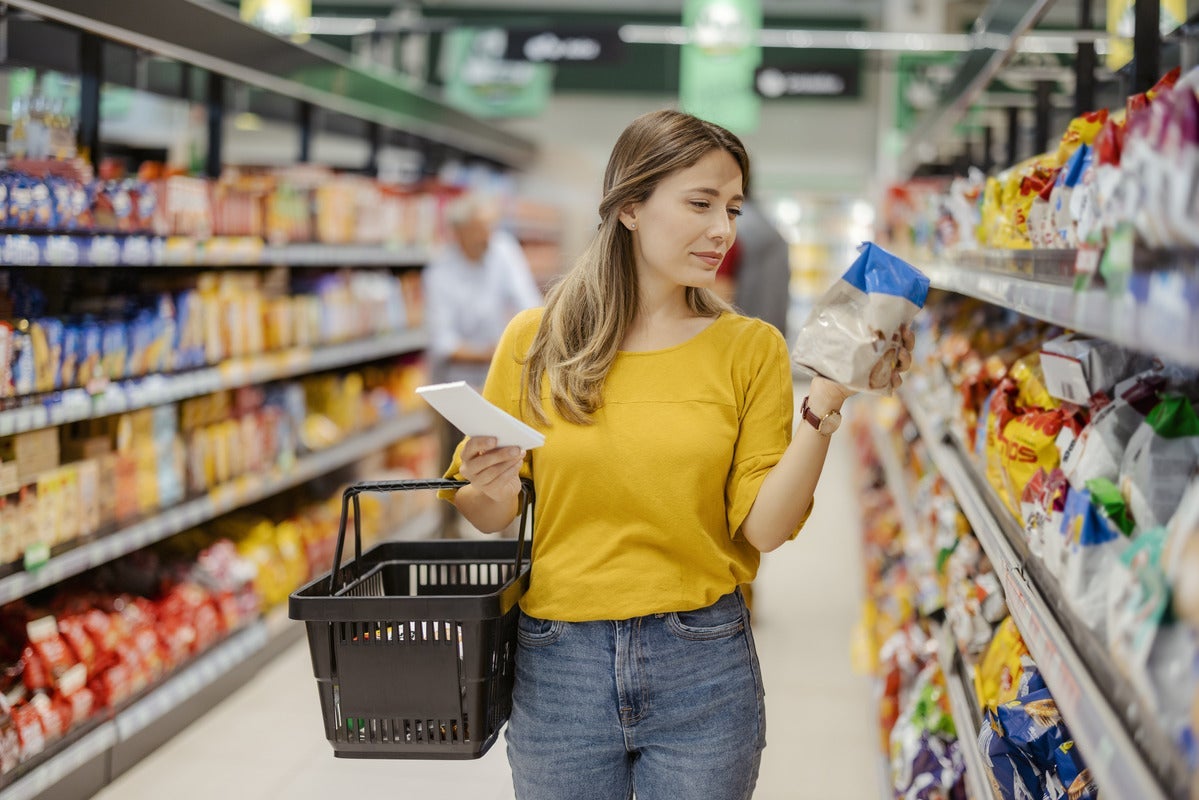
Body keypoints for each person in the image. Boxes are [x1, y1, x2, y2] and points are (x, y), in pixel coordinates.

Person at [440, 109, 913, 800]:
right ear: (629, 205)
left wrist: (826, 402)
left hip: (703, 663)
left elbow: (765, 528)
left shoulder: (748, 348)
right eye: (699, 203)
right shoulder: (536, 340)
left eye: (732, 207)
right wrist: (492, 483)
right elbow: (487, 513)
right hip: (559, 663)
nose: (722, 230)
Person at [422, 193, 543, 478]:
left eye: (491, 227)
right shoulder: (440, 272)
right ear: (459, 232)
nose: (488, 236)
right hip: (456, 386)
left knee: (507, 461)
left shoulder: (502, 250)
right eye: (480, 229)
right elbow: (444, 343)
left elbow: (531, 304)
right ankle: (450, 521)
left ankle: (504, 518)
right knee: (454, 466)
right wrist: (497, 353)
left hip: (498, 377)